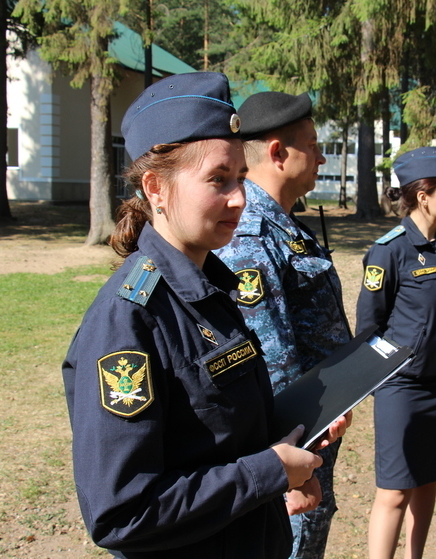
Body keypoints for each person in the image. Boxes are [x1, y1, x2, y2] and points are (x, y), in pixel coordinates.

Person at [61, 72, 347, 559]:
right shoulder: (128, 322)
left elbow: (211, 439)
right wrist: (269, 471)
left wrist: (289, 446)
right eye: (218, 180)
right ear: (156, 187)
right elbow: (122, 513)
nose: (238, 197)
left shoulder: (213, 288)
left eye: (240, 177)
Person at [215, 91, 352, 559]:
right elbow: (268, 363)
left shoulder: (285, 225)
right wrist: (293, 474)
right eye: (312, 145)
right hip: (290, 446)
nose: (321, 155)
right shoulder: (251, 232)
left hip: (314, 429)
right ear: (277, 152)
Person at [355, 146, 436, 559]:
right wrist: (383, 382)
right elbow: (369, 327)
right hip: (402, 388)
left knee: (428, 480)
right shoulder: (389, 251)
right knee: (393, 492)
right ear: (424, 196)